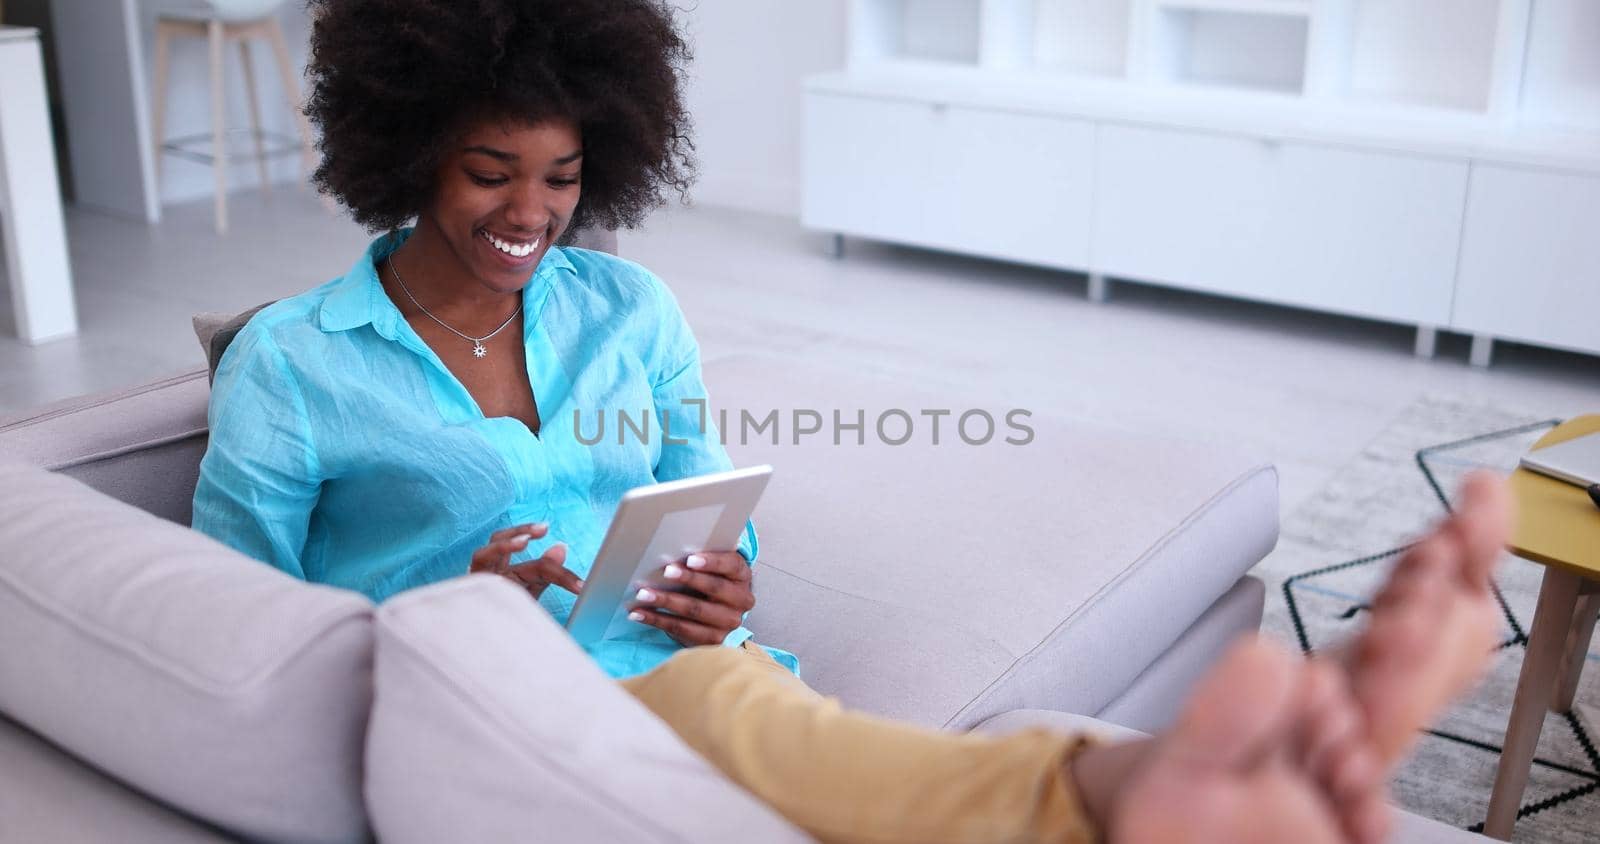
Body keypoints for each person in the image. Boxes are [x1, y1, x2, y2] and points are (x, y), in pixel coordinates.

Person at [191, 2, 1511, 840]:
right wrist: (448, 591)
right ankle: (1114, 793)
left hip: (667, 662)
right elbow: (224, 614)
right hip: (470, 691)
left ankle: (1142, 793)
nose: (532, 214)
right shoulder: (295, 366)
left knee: (773, 740)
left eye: (563, 176)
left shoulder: (626, 309)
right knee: (784, 752)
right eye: (490, 174)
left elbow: (699, 490)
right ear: (407, 149)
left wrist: (723, 581)